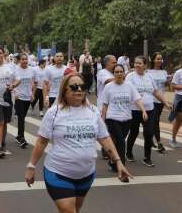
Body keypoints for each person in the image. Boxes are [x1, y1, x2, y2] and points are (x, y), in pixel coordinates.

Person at [25, 73, 131, 213]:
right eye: (74, 87)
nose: (79, 90)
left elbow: (104, 137)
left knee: (76, 208)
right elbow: (41, 141)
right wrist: (31, 166)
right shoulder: (54, 112)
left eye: (82, 86)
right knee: (69, 210)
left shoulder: (93, 111)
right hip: (58, 172)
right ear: (64, 90)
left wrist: (118, 161)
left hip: (86, 174)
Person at [125, 56, 170, 167]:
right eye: (135, 63)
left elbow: (156, 92)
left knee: (149, 133)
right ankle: (129, 152)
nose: (137, 65)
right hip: (134, 110)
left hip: (150, 110)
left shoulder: (149, 77)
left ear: (145, 65)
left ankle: (147, 157)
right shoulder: (130, 77)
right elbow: (128, 93)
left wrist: (165, 102)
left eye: (139, 63)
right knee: (134, 133)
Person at [102, 64, 147, 169]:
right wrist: (102, 120)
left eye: (121, 72)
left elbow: (137, 99)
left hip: (126, 119)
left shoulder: (129, 86)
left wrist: (143, 111)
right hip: (112, 118)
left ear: (124, 73)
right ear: (113, 74)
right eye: (116, 72)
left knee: (119, 142)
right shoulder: (108, 87)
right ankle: (121, 166)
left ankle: (113, 162)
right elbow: (105, 105)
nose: (119, 74)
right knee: (121, 142)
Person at [12, 53, 37, 148]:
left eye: (26, 59)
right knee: (21, 117)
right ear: (19, 60)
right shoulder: (15, 70)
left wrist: (33, 94)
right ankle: (22, 138)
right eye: (22, 59)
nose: (25, 61)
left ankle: (18, 135)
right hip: (19, 97)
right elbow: (11, 83)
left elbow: (35, 82)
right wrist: (14, 93)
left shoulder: (32, 70)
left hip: (28, 97)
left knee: (23, 117)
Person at [148, 52, 170, 153]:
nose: (160, 61)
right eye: (158, 59)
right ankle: (159, 142)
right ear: (153, 60)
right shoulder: (148, 72)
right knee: (155, 121)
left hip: (161, 100)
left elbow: (165, 85)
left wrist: (168, 81)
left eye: (161, 59)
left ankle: (150, 139)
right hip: (151, 99)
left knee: (154, 121)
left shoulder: (164, 72)